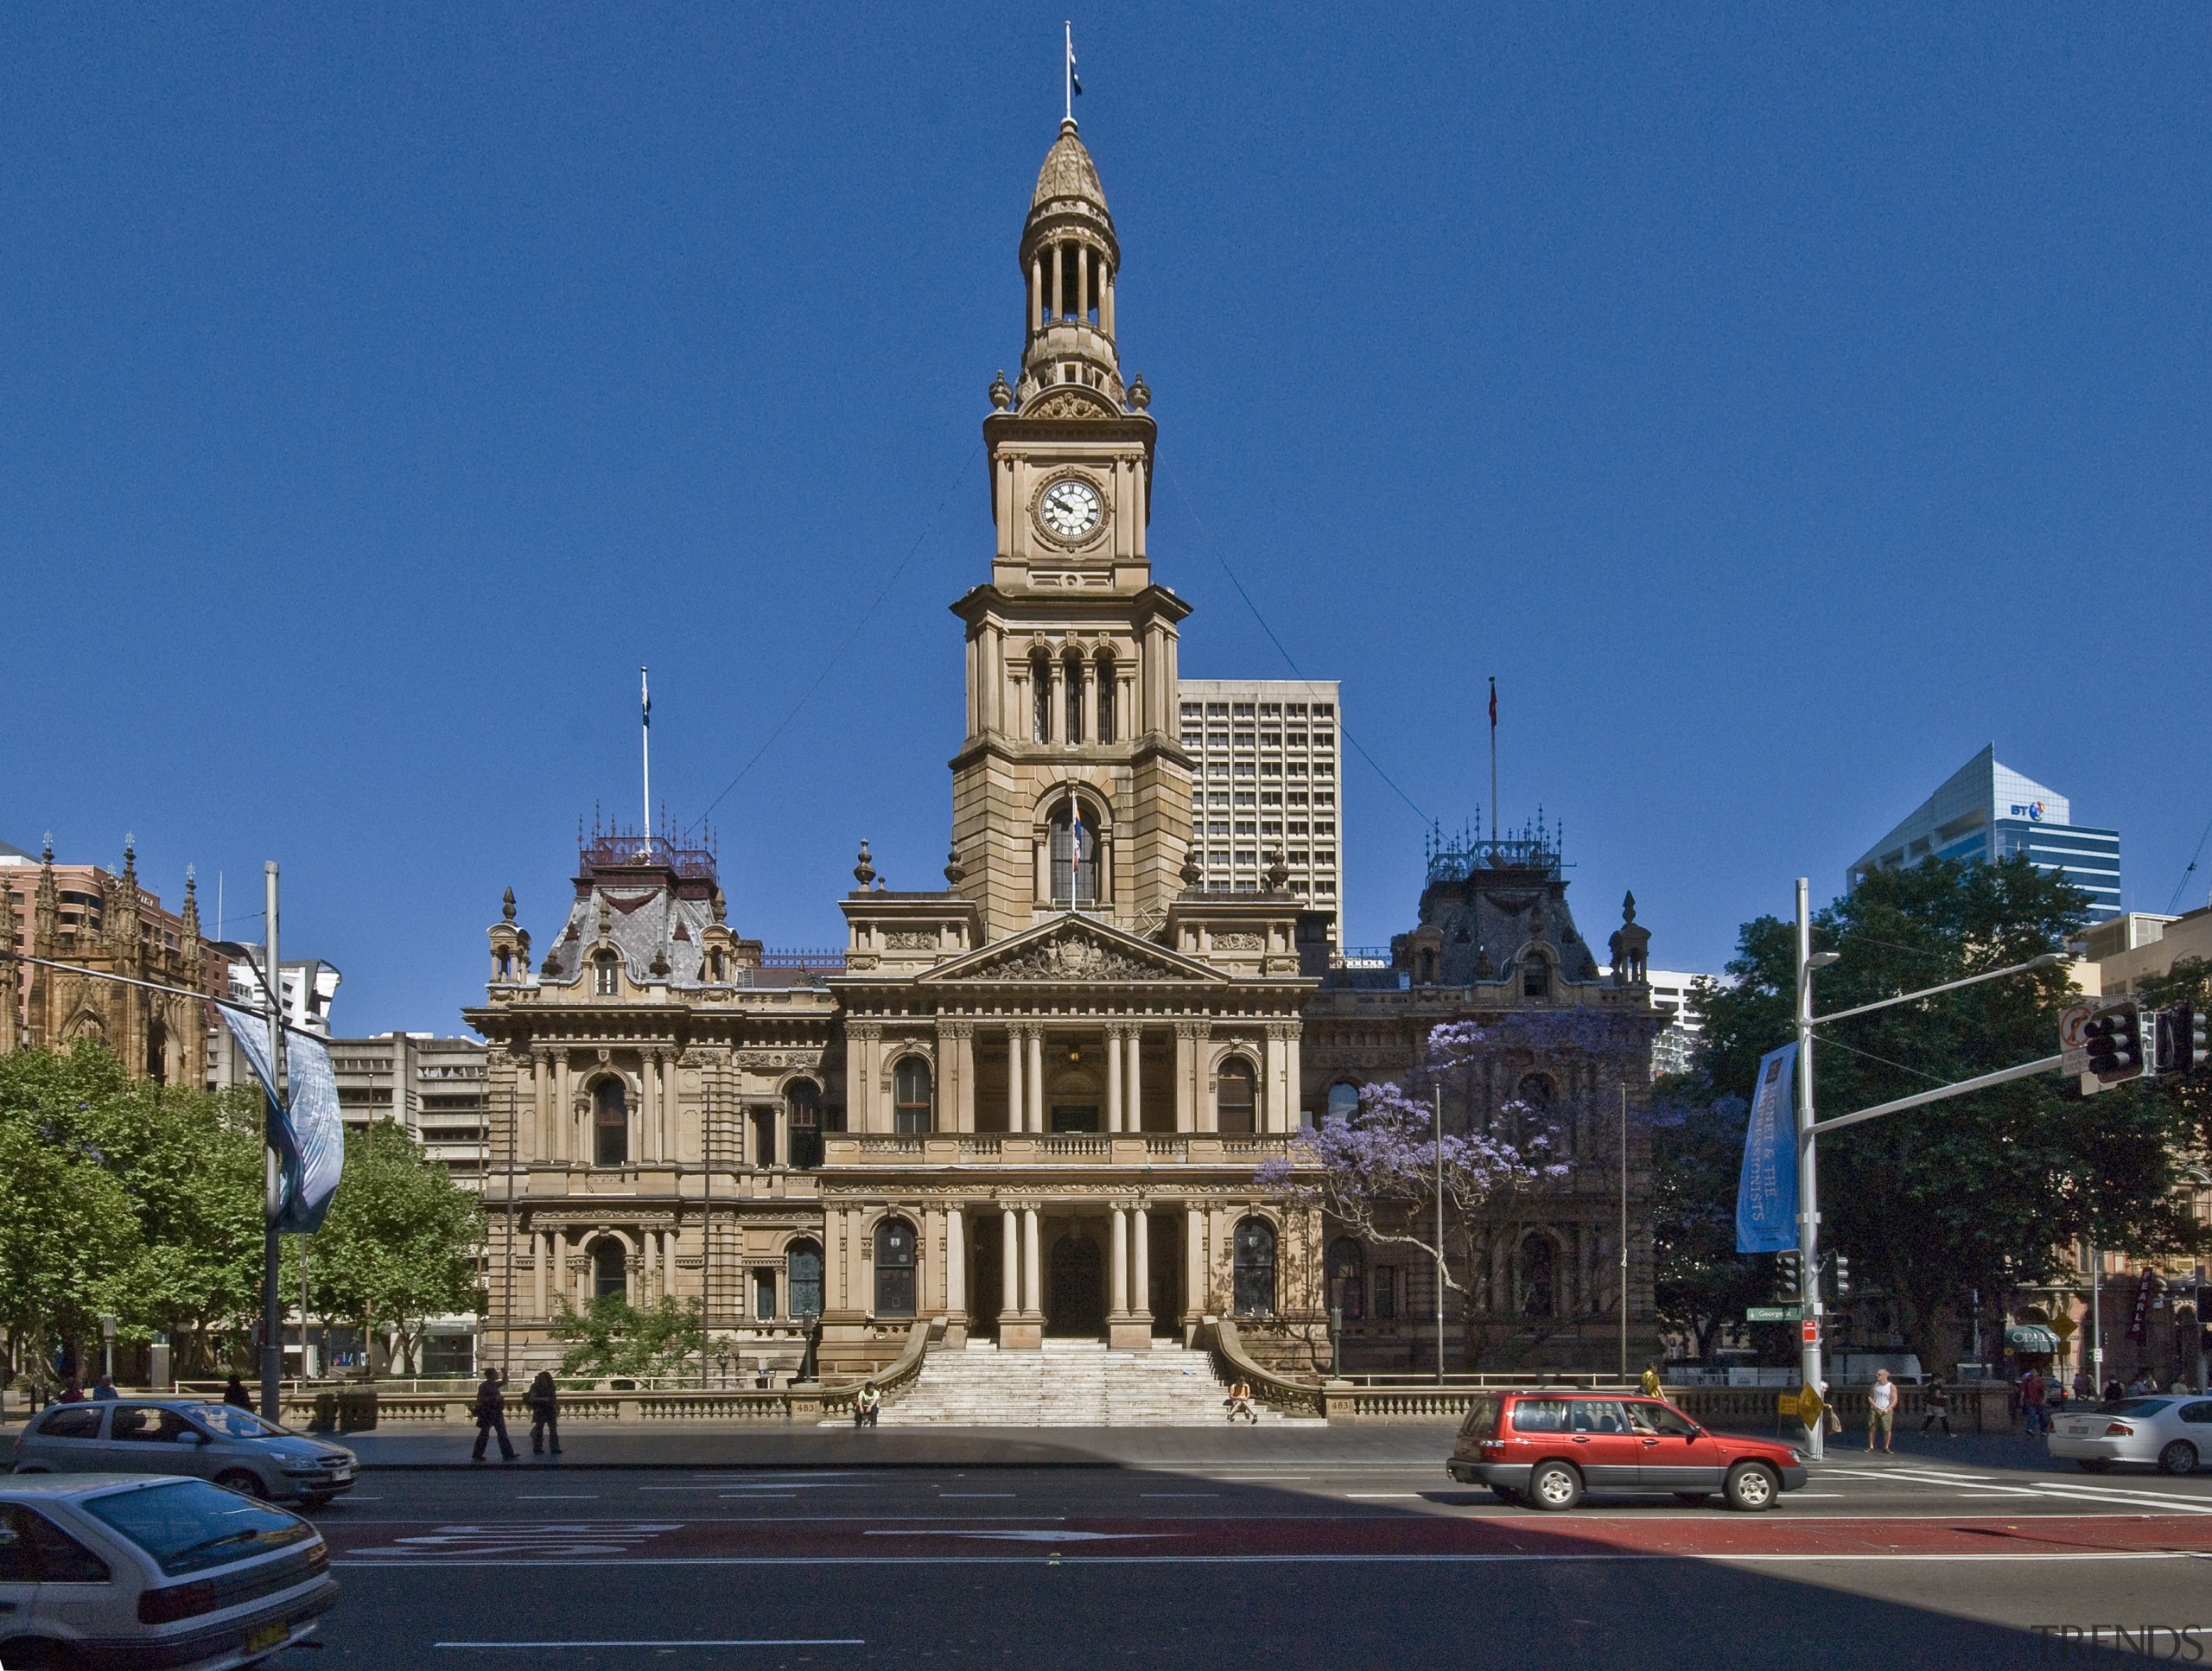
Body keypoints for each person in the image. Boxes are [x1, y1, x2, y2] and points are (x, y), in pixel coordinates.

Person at [472, 1371, 517, 1463]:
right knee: (486, 1434)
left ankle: (508, 1453)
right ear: (491, 1375)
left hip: (495, 1412)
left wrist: (505, 1373)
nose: (497, 1375)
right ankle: (478, 1454)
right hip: (488, 1412)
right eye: (496, 1373)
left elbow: (504, 1381)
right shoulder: (485, 1386)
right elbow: (481, 1399)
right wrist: (495, 1399)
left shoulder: (493, 1384)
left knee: (501, 1433)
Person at [525, 1371, 562, 1456]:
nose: (541, 1379)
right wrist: (543, 1399)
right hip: (540, 1410)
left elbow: (554, 1397)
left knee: (553, 1429)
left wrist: (557, 1406)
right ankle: (538, 1448)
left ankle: (554, 1448)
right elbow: (531, 1399)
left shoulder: (551, 1386)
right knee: (539, 1429)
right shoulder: (535, 1386)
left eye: (542, 1378)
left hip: (550, 1409)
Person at [1866, 1369, 1897, 1453]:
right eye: (1877, 1374)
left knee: (1887, 1429)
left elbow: (1894, 1400)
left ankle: (1886, 1447)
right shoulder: (1875, 1385)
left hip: (1886, 1409)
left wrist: (1888, 1409)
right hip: (1875, 1409)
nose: (1877, 1376)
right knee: (1872, 1427)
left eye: (1879, 1374)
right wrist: (1875, 1406)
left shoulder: (1891, 1386)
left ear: (1885, 1376)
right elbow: (1870, 1397)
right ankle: (1871, 1446)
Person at [2019, 1368, 2048, 1437]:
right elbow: (2023, 1391)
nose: (2033, 1375)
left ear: (2037, 1374)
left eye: (2034, 1373)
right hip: (2029, 1401)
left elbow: (2045, 1391)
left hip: (2039, 1401)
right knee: (2031, 1414)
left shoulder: (2040, 1382)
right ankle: (2030, 1428)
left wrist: (2044, 1400)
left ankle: (2043, 1430)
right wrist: (2021, 1400)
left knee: (2043, 1416)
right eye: (2032, 1374)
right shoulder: (2026, 1382)